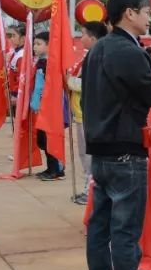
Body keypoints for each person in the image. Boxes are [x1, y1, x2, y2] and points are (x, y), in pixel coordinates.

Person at [83, 0, 151, 270]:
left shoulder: (100, 49)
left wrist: (149, 60)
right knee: (124, 229)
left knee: (100, 226)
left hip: (102, 151)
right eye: (146, 11)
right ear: (129, 14)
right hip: (125, 151)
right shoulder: (125, 50)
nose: (150, 17)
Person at [67, 20, 107, 204]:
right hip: (81, 114)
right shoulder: (89, 56)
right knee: (84, 154)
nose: (80, 38)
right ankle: (88, 187)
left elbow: (87, 85)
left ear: (92, 38)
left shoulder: (98, 57)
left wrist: (69, 81)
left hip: (89, 116)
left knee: (90, 155)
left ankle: (89, 190)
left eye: (83, 34)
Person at [29, 31, 66, 180]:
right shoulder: (40, 62)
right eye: (35, 44)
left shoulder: (50, 64)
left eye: (39, 44)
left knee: (49, 139)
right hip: (41, 108)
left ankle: (56, 169)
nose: (35, 47)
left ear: (49, 45)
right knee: (43, 140)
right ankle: (51, 168)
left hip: (50, 108)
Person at [6, 25, 25, 114]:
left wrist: (15, 94)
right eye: (11, 36)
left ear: (23, 39)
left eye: (14, 36)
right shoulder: (16, 52)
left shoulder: (22, 54)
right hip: (14, 91)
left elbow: (20, 77)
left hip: (19, 94)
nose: (11, 39)